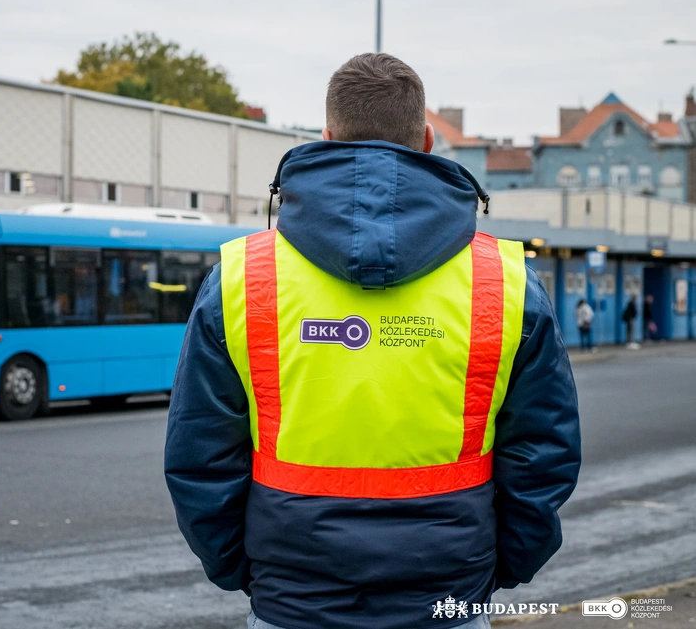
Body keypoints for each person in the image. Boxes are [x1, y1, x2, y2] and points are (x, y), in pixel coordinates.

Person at [165, 53, 581, 629]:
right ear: (427, 141)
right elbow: (544, 454)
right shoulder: (505, 283)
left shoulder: (243, 278)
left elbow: (199, 456)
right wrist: (488, 572)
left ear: (327, 138)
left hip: (293, 597)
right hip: (448, 594)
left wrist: (254, 573)